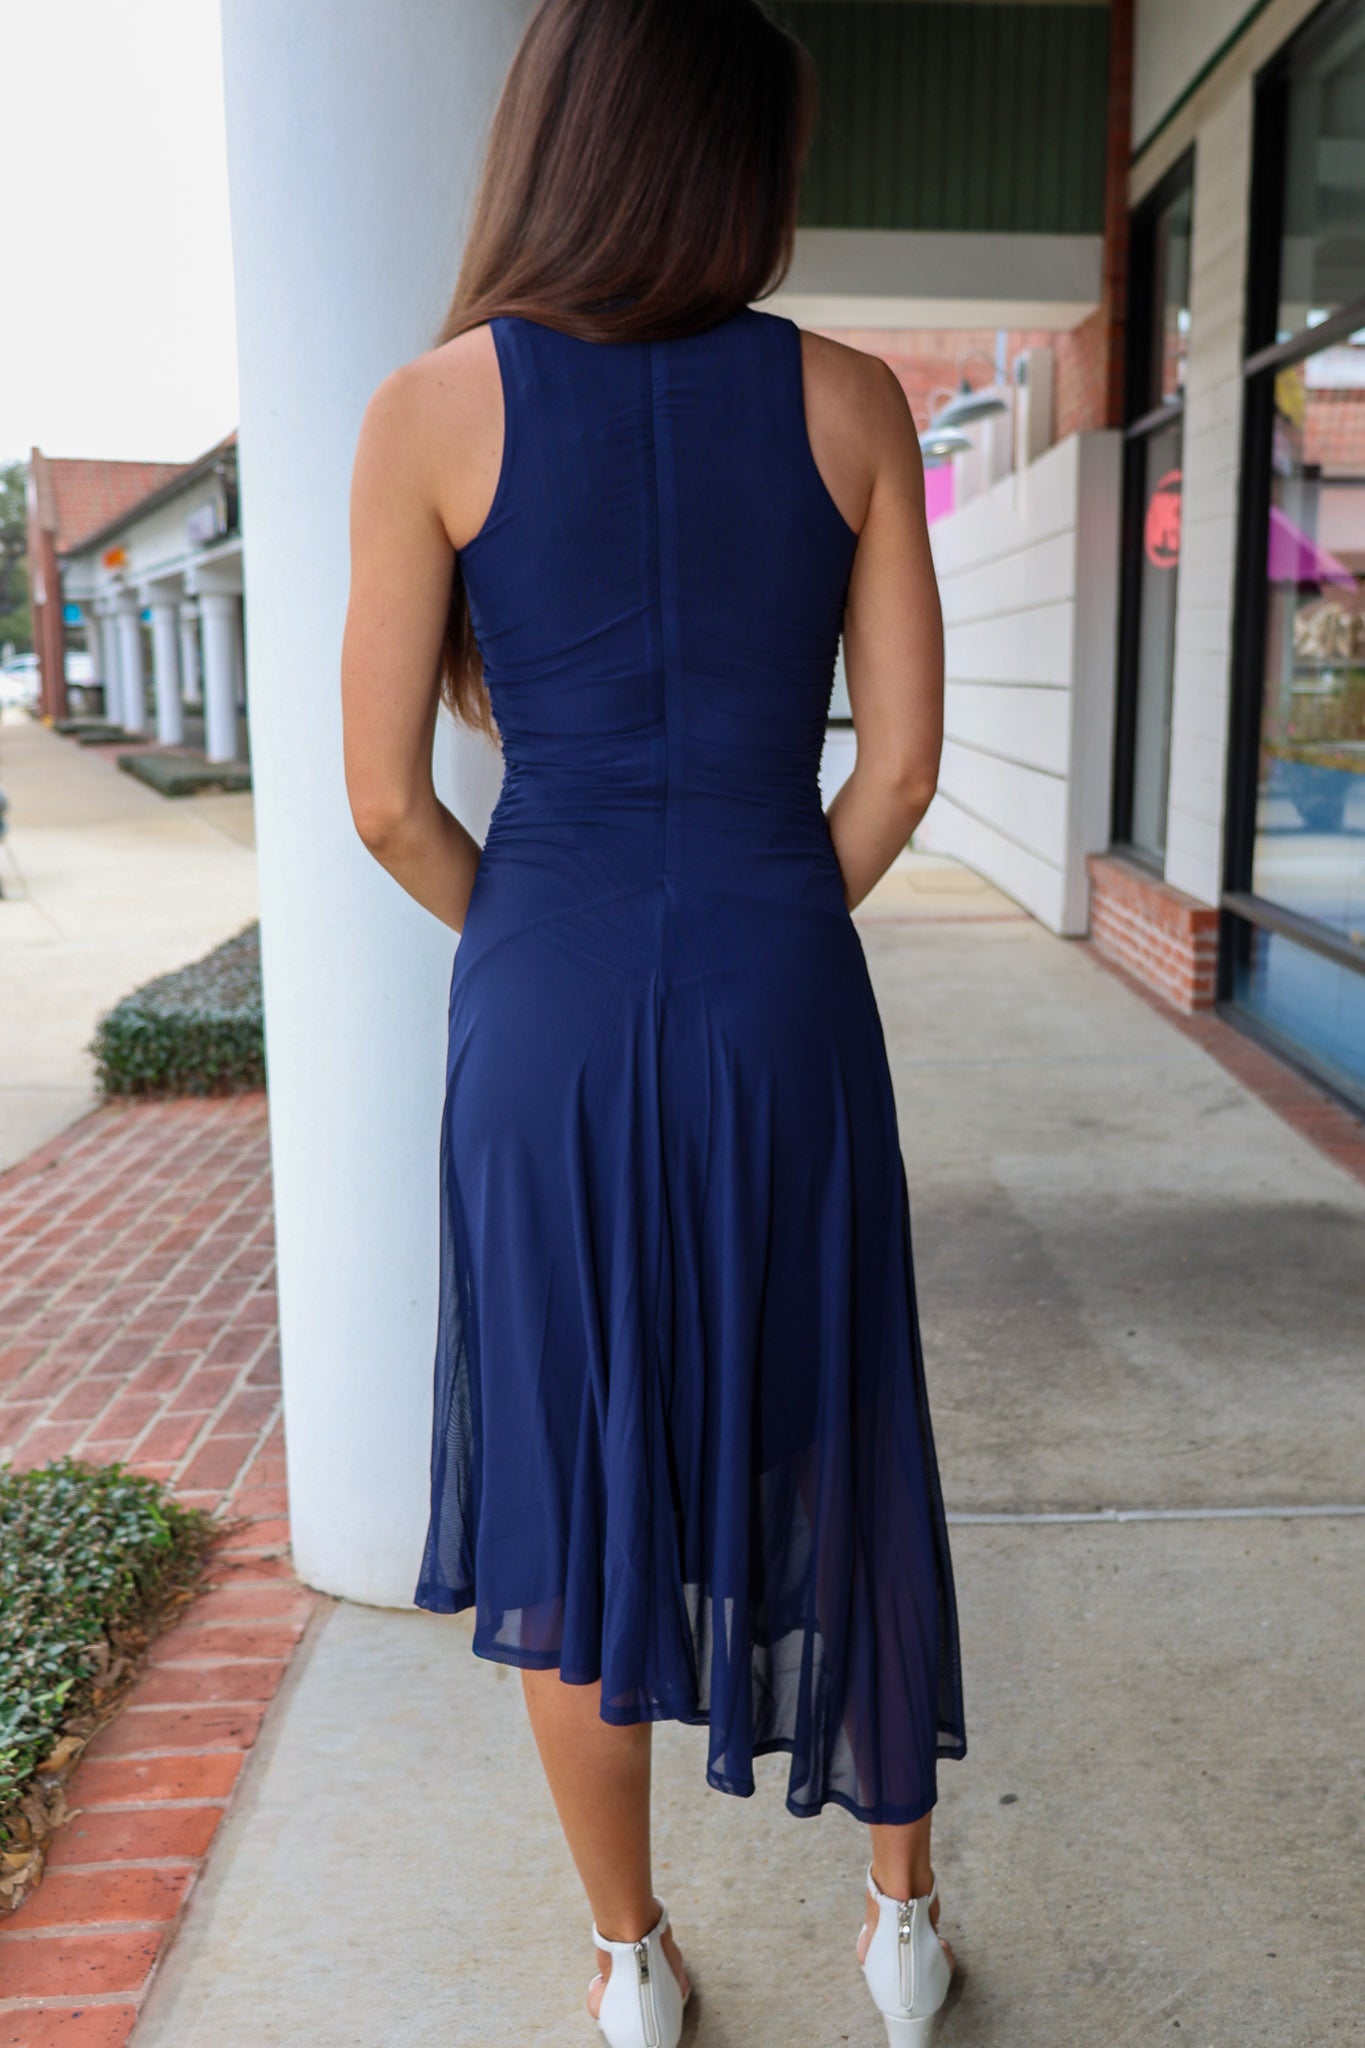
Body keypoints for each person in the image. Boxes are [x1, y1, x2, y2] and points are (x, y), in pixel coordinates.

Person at [340, 2, 966, 2041]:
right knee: (834, 1414)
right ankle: (896, 1926)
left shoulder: (429, 409)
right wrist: (761, 918)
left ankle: (627, 1965)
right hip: (782, 985)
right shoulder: (852, 400)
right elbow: (887, 781)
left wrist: (543, 934)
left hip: (542, 997)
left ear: (552, 145)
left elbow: (383, 802)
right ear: (737, 165)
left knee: (568, 1459)